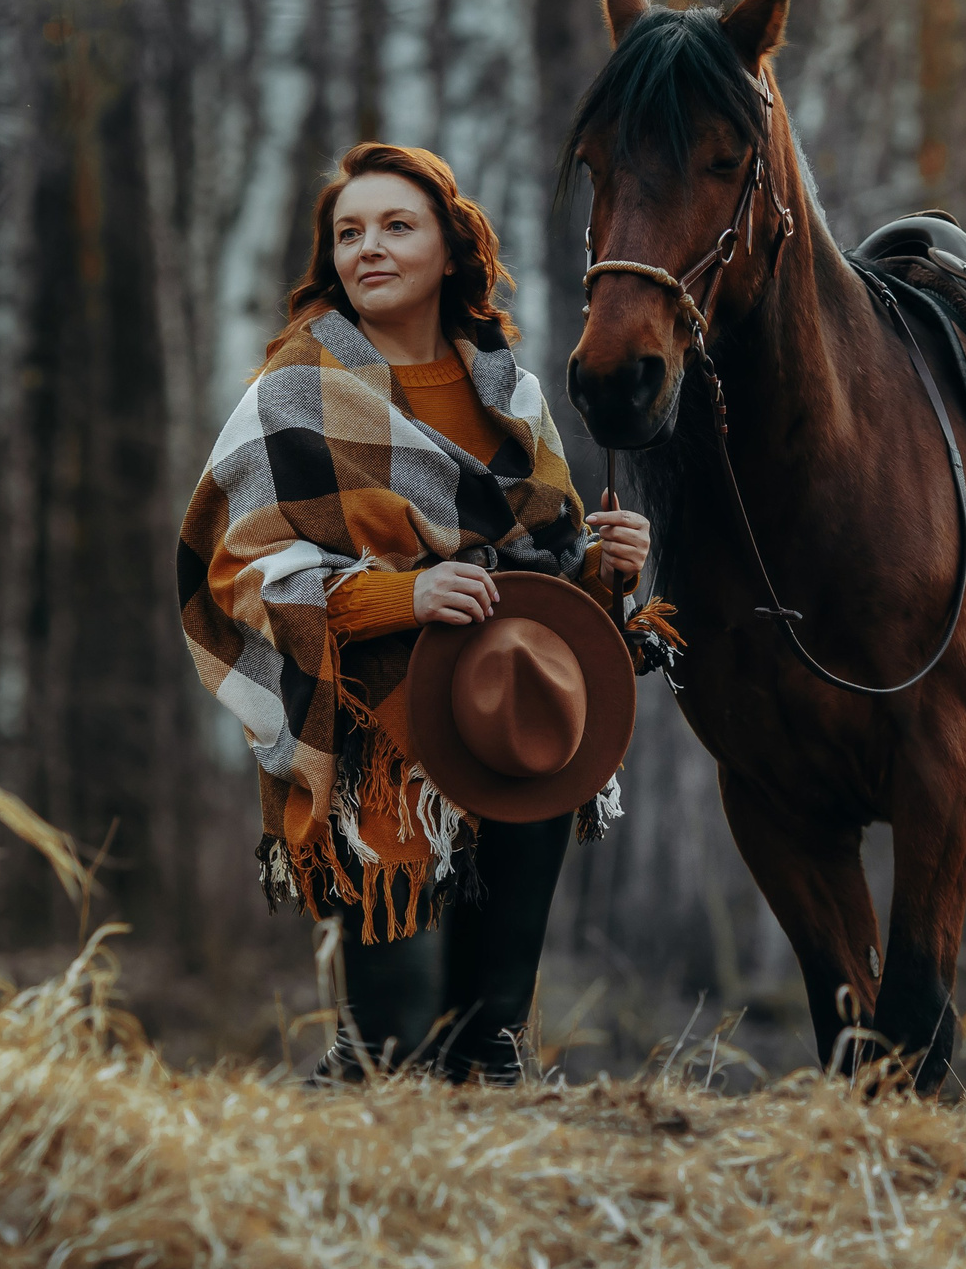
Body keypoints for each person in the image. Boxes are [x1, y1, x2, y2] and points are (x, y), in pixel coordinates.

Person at [178, 142, 650, 1082]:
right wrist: (408, 591)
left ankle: (488, 1219)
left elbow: (544, 572)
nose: (370, 248)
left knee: (493, 1051)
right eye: (349, 233)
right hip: (382, 743)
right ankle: (348, 1203)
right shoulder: (294, 391)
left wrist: (607, 569)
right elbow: (236, 572)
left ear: (450, 249)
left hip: (517, 731)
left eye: (398, 226)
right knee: (388, 1052)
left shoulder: (509, 393)